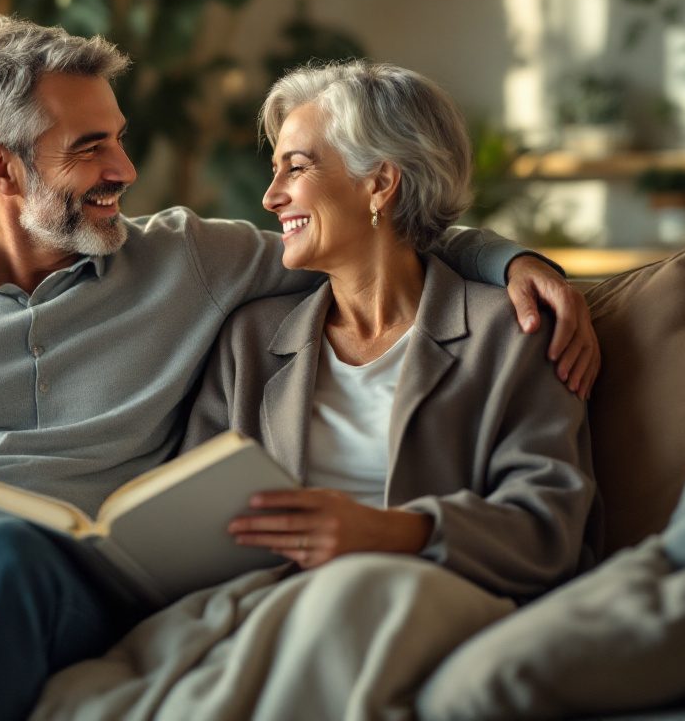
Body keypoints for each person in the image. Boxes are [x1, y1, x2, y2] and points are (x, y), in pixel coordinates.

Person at [0, 19, 599, 720]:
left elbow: (374, 235)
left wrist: (511, 261)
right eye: (90, 146)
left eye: (120, 136)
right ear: (1, 169)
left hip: (56, 589)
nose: (125, 169)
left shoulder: (190, 258)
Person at [34, 61, 601, 719]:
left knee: (358, 591)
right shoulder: (253, 338)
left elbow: (550, 528)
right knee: (77, 697)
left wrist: (394, 533)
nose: (271, 197)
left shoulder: (511, 331)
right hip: (265, 608)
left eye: (295, 168)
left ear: (380, 182)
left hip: (428, 598)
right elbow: (193, 515)